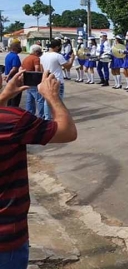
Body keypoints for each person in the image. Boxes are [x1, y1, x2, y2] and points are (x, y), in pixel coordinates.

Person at [0, 69, 77, 269]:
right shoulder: (11, 120)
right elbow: (67, 132)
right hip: (7, 237)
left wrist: (4, 96)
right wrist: (53, 97)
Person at [40, 38, 76, 121]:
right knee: (58, 101)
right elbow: (68, 67)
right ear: (56, 47)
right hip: (57, 81)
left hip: (46, 80)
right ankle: (57, 117)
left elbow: (42, 69)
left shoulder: (43, 56)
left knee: (47, 100)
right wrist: (72, 59)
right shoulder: (58, 56)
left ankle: (47, 118)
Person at [21, 44, 44, 117]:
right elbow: (37, 69)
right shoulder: (36, 58)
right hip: (34, 82)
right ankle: (41, 116)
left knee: (29, 100)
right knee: (40, 99)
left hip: (27, 81)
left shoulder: (26, 58)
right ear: (36, 52)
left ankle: (29, 115)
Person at [3, 42, 22, 107]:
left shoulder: (8, 56)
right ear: (16, 48)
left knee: (10, 97)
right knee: (15, 99)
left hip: (9, 79)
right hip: (14, 79)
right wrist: (8, 76)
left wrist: (7, 76)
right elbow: (14, 68)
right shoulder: (15, 56)